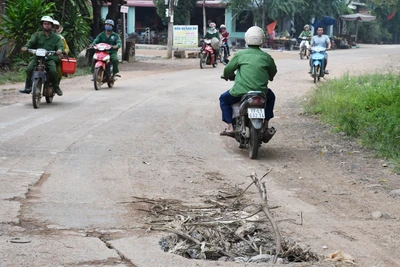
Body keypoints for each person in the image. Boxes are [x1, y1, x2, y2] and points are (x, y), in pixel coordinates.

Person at [219, 26, 277, 143]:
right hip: (261, 93)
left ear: (246, 39)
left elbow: (228, 69)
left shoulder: (240, 55)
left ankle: (230, 127)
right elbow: (273, 72)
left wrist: (225, 76)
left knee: (223, 99)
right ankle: (266, 124)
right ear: (262, 39)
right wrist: (269, 77)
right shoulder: (266, 57)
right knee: (271, 97)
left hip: (240, 92)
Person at [19, 16, 64, 96]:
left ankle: (56, 87)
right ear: (42, 25)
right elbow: (30, 42)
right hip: (37, 57)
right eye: (45, 24)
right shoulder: (37, 35)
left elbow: (60, 46)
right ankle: (28, 86)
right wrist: (26, 47)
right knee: (29, 69)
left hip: (50, 58)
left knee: (53, 71)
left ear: (51, 25)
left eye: (49, 24)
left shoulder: (56, 37)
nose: (47, 25)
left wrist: (59, 50)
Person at [53, 20, 69, 84]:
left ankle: (57, 84)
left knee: (59, 69)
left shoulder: (61, 38)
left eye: (55, 27)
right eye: (52, 26)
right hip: (44, 55)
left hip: (56, 55)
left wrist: (63, 51)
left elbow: (66, 48)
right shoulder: (42, 35)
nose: (53, 28)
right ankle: (29, 85)